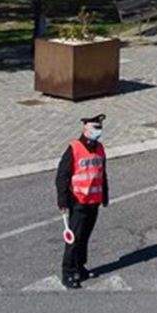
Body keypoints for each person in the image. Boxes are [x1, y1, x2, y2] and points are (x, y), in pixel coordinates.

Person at [56, 114, 108, 289]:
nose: (97, 131)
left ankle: (80, 267)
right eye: (95, 127)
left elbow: (102, 174)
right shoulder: (74, 148)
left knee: (85, 237)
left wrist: (105, 196)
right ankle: (68, 272)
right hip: (78, 202)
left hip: (93, 201)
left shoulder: (100, 148)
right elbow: (62, 176)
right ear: (85, 128)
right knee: (74, 239)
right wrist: (63, 202)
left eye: (99, 128)